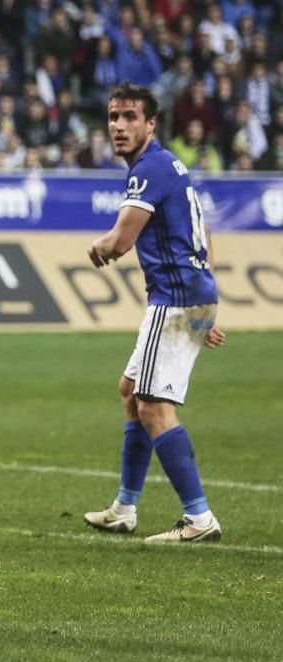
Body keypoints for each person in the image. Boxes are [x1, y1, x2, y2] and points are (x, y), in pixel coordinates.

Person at [83, 83, 226, 543]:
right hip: (193, 295)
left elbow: (120, 241)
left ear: (150, 125)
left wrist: (100, 246)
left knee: (152, 406)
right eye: (113, 117)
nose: (119, 126)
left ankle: (199, 518)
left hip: (175, 298)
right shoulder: (171, 165)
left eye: (129, 117)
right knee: (130, 391)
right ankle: (125, 508)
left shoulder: (148, 169)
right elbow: (200, 228)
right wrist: (205, 311)